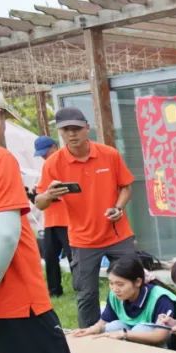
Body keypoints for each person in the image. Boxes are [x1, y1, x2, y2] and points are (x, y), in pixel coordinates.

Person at [0, 92, 152, 353]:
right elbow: (7, 235)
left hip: (109, 237)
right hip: (19, 305)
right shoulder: (2, 160)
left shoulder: (107, 154)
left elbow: (125, 185)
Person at [33, 107, 137, 328]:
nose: (72, 134)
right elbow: (40, 203)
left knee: (132, 286)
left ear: (87, 128)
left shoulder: (109, 154)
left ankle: (136, 330)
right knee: (86, 294)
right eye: (66, 129)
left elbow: (126, 187)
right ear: (60, 132)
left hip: (118, 235)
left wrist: (118, 207)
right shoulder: (53, 163)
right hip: (83, 240)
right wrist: (49, 195)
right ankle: (89, 336)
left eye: (77, 128)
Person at [71, 256, 176, 353]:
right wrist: (90, 330)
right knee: (112, 328)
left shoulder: (160, 298)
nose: (115, 289)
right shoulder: (115, 296)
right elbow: (104, 322)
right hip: (141, 333)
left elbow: (160, 336)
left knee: (139, 330)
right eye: (111, 283)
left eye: (120, 284)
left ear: (138, 282)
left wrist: (124, 334)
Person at [32, 135, 70, 298]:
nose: (44, 156)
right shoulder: (46, 168)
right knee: (49, 256)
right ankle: (54, 291)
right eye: (41, 154)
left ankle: (82, 288)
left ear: (55, 147)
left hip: (67, 219)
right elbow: (41, 194)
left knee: (73, 256)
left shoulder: (66, 163)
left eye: (45, 152)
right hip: (50, 220)